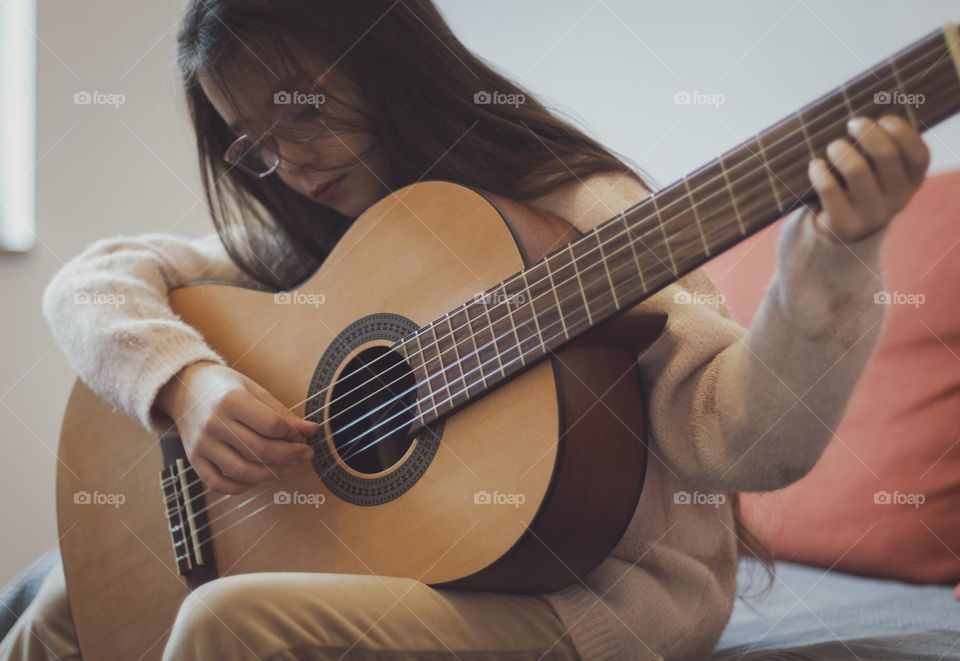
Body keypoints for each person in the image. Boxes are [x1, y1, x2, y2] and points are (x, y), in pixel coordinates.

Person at [0, 1, 931, 659]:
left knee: (225, 622)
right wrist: (185, 384)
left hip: (596, 597)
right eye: (256, 144)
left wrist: (832, 256)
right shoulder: (325, 236)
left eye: (302, 109)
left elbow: (745, 439)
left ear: (387, 55)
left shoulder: (581, 212)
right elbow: (90, 284)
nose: (290, 164)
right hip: (421, 566)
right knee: (64, 603)